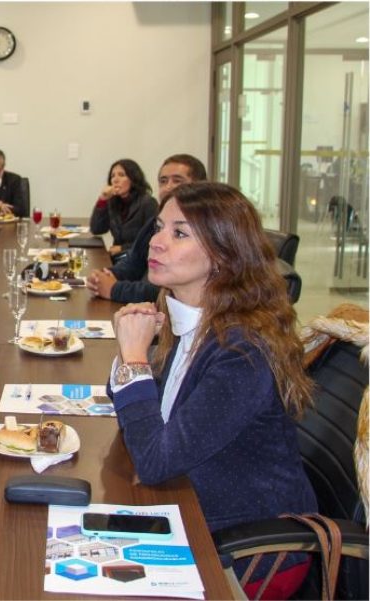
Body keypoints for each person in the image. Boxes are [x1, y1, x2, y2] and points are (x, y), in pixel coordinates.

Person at [108, 182, 316, 598]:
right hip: (197, 513)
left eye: (179, 233)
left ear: (223, 255)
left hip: (248, 553)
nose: (157, 242)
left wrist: (134, 357)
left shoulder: (242, 351)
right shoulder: (194, 321)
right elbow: (138, 412)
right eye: (160, 227)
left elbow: (154, 459)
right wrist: (138, 352)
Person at [86, 154, 207, 302]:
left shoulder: (204, 227)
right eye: (163, 181)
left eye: (177, 180)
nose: (168, 187)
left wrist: (114, 289)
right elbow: (134, 261)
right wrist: (105, 275)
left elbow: (163, 291)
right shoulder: (154, 219)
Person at [89, 159, 158, 260]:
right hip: (119, 258)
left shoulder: (148, 203)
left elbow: (153, 238)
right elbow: (97, 229)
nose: (115, 180)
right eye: (113, 176)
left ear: (133, 179)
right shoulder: (113, 202)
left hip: (139, 260)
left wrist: (123, 248)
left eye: (121, 175)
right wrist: (103, 199)